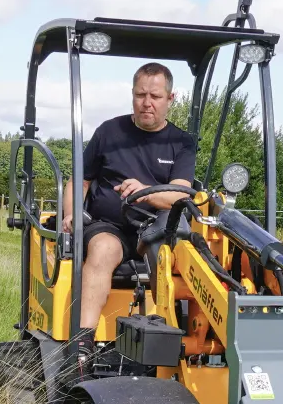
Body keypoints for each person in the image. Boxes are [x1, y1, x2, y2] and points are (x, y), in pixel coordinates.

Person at [60, 62, 198, 365]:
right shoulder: (109, 132)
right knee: (104, 249)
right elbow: (80, 180)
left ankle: (172, 341)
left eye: (155, 96)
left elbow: (180, 195)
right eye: (140, 95)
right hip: (110, 226)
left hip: (155, 226)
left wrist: (145, 190)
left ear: (170, 99)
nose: (147, 103)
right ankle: (82, 344)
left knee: (175, 254)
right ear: (132, 95)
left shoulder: (181, 143)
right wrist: (71, 214)